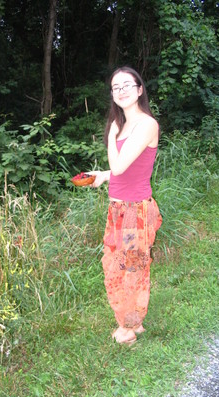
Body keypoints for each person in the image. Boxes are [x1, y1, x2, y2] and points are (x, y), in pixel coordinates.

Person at [89, 66, 162, 345]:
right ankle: (135, 321)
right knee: (124, 265)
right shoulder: (125, 125)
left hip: (134, 212)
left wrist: (111, 133)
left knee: (128, 269)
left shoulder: (145, 124)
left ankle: (128, 327)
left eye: (126, 85)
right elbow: (126, 170)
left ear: (140, 89)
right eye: (115, 87)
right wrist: (102, 176)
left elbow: (119, 165)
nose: (120, 91)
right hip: (119, 210)